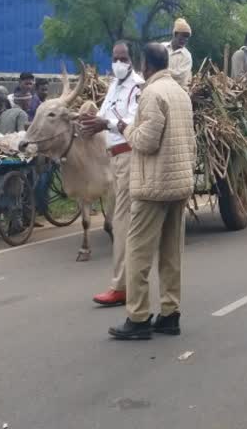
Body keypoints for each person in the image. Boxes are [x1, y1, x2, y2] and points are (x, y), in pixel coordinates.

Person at [108, 43, 196, 340]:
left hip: (153, 187)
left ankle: (138, 317)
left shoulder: (151, 93)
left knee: (137, 252)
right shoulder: (181, 93)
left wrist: (124, 128)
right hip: (179, 184)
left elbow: (146, 142)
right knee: (171, 252)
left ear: (145, 66)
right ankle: (170, 314)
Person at [81, 41, 143, 307]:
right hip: (113, 158)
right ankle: (123, 284)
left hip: (129, 155)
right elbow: (103, 115)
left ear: (133, 60)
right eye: (115, 58)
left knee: (123, 223)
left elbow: (132, 124)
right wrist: (84, 121)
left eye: (123, 58)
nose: (119, 63)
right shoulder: (113, 86)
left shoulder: (138, 87)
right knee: (119, 223)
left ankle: (122, 287)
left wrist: (103, 123)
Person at [163, 18, 193, 89]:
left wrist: (160, 71)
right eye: (182, 36)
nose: (184, 40)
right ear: (175, 34)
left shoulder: (187, 56)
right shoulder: (162, 47)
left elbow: (180, 76)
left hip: (177, 91)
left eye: (187, 37)